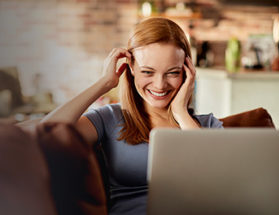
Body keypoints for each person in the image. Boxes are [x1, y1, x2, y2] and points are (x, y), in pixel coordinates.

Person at [42, 17, 223, 215]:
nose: (159, 85)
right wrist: (104, 83)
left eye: (172, 72)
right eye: (147, 72)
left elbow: (215, 183)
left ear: (187, 72)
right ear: (131, 68)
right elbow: (46, 134)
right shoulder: (110, 118)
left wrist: (180, 113)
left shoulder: (207, 125)